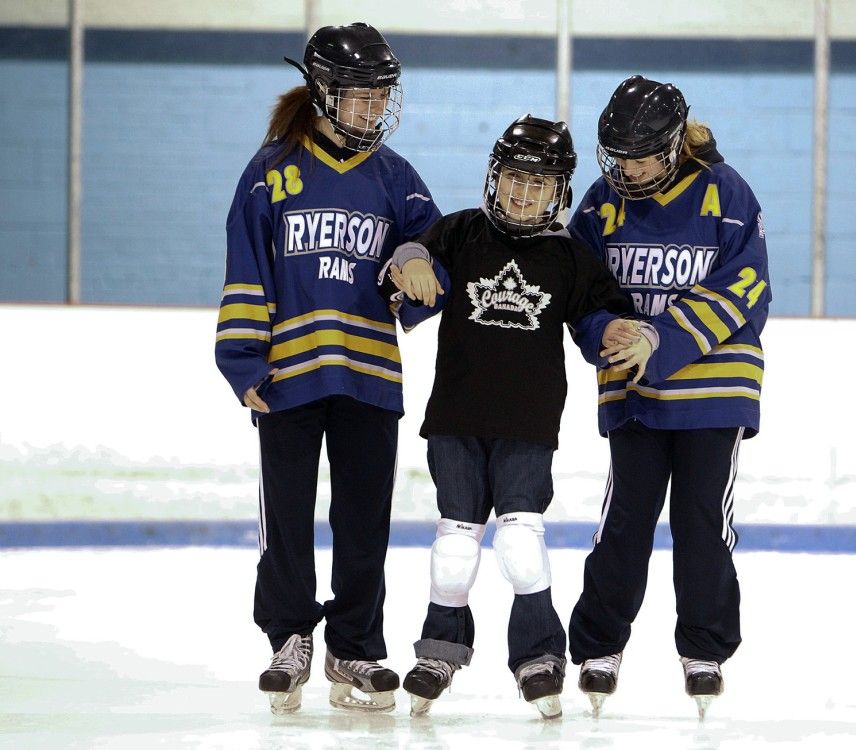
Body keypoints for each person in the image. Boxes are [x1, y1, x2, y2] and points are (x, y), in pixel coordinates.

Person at [380, 115, 644, 719]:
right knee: (456, 545)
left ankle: (539, 654)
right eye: (515, 179)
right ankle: (441, 647)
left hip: (528, 424)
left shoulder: (570, 257)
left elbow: (595, 318)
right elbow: (420, 264)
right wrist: (411, 263)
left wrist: (615, 329)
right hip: (455, 417)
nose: (524, 195)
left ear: (560, 192)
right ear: (494, 178)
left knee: (522, 544)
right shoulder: (462, 232)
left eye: (540, 184)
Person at [214, 22, 442, 715]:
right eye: (363, 96)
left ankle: (355, 645)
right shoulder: (270, 171)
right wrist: (243, 359)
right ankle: (289, 638)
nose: (376, 110)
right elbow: (247, 270)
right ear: (324, 93)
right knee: (285, 516)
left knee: (364, 522)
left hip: (369, 376)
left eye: (382, 98)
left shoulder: (395, 176)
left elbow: (432, 251)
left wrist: (421, 263)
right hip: (288, 376)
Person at [566, 75, 771, 719]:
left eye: (644, 154)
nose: (630, 167)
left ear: (676, 141)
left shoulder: (727, 193)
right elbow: (579, 293)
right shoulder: (601, 205)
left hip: (714, 394)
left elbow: (747, 289)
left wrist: (664, 337)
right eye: (619, 155)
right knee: (625, 521)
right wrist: (606, 328)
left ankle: (703, 647)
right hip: (635, 396)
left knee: (701, 523)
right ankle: (600, 644)